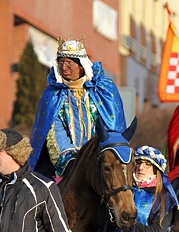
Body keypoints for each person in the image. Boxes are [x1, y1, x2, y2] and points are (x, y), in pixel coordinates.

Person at [28, 39, 127, 179]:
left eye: (69, 62)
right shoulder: (52, 94)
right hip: (66, 163)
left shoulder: (103, 89)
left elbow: (111, 126)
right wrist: (70, 160)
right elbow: (55, 131)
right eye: (61, 62)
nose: (64, 67)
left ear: (81, 65)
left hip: (100, 158)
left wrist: (97, 155)